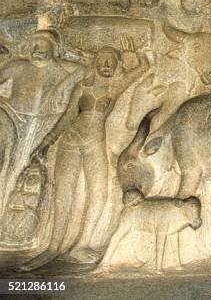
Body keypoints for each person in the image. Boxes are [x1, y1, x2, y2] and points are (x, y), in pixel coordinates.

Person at [19, 37, 150, 271]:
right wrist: (46, 143)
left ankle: (81, 245)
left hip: (94, 143)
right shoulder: (83, 86)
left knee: (99, 193)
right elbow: (68, 116)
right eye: (103, 60)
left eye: (112, 61)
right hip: (70, 141)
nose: (107, 64)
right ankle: (53, 247)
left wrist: (137, 53)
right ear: (96, 62)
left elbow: (144, 68)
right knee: (64, 194)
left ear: (117, 65)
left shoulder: (116, 85)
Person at [0, 29, 84, 213]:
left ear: (54, 49)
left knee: (21, 169)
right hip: (14, 119)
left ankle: (11, 209)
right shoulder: (17, 66)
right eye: (33, 45)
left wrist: (64, 84)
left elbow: (84, 70)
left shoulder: (60, 70)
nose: (36, 49)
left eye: (41, 44)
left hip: (41, 127)